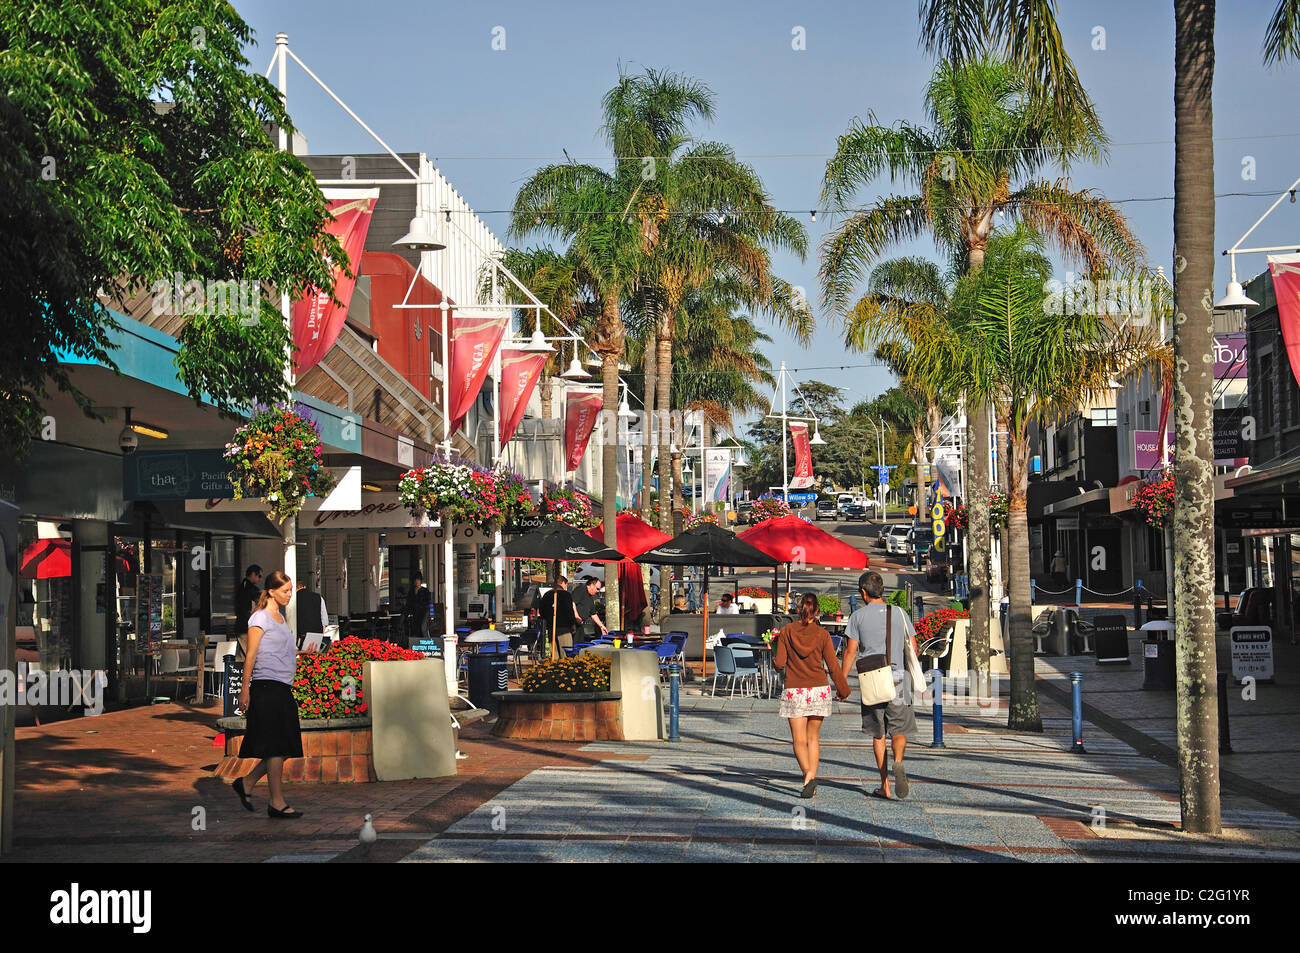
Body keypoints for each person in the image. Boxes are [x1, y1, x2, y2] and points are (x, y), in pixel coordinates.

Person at [233, 570, 305, 819]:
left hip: (283, 687)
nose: (289, 595)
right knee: (275, 747)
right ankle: (276, 802)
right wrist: (244, 690)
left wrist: (303, 653)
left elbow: (282, 651)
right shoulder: (260, 618)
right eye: (285, 591)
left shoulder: (281, 618)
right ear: (271, 591)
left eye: (290, 590)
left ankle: (247, 783)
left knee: (284, 746)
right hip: (266, 687)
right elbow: (250, 656)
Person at [840, 571, 917, 800]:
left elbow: (850, 652)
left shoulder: (857, 617)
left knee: (878, 734)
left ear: (863, 592)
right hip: (899, 679)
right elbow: (914, 647)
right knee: (899, 729)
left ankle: (884, 785)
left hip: (873, 679)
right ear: (881, 590)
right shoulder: (900, 613)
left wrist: (842, 681)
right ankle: (899, 762)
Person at [775, 593, 851, 798]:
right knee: (813, 739)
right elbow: (833, 666)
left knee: (798, 740)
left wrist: (775, 654)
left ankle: (808, 777)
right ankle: (812, 777)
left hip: (794, 690)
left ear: (798, 610)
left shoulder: (786, 631)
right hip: (819, 689)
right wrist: (843, 690)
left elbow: (780, 664)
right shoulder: (823, 634)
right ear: (816, 611)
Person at [537, 576, 578, 656]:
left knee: (554, 653)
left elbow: (542, 611)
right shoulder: (566, 595)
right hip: (564, 628)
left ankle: (555, 667)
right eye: (566, 585)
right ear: (562, 583)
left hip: (551, 627)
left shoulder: (547, 595)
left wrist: (548, 619)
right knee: (566, 654)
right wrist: (573, 623)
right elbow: (569, 611)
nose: (566, 587)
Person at [294, 582, 329, 647]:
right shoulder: (318, 597)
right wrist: (321, 635)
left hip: (300, 634)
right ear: (304, 587)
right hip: (317, 633)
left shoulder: (293, 599)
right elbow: (324, 619)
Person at [404, 573, 432, 647]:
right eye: (415, 580)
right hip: (415, 612)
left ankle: (427, 645)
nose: (416, 582)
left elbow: (429, 603)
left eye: (418, 580)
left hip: (424, 612)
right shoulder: (411, 592)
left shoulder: (425, 591)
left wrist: (431, 614)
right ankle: (417, 645)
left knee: (423, 627)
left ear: (420, 581)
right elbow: (408, 603)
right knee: (415, 628)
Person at [235, 564, 262, 637]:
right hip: (247, 624)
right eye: (259, 576)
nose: (260, 579)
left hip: (241, 624)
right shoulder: (251, 589)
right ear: (253, 574)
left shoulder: (242, 586)